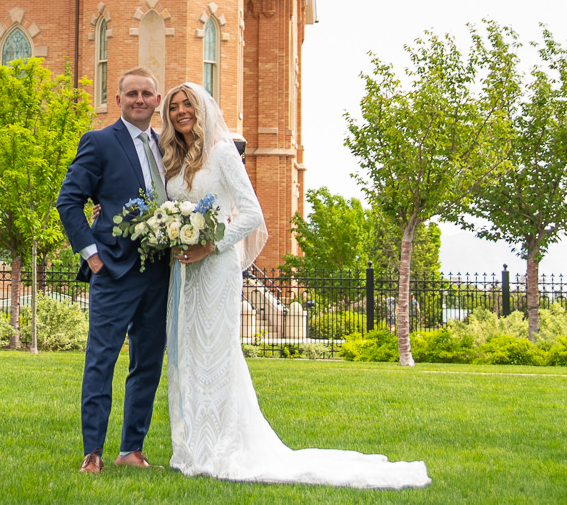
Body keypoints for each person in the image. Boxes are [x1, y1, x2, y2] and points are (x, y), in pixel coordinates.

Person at [159, 81, 430, 489]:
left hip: (216, 269)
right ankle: (192, 449)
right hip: (183, 272)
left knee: (217, 354)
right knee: (187, 355)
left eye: (187, 104)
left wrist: (209, 245)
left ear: (202, 108)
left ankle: (223, 449)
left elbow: (252, 214)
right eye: (174, 106)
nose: (181, 111)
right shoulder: (173, 162)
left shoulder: (220, 154)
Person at [56, 67, 172, 474]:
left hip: (159, 273)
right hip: (113, 271)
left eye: (147, 94)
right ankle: (93, 452)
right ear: (119, 99)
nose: (140, 100)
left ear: (158, 102)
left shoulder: (165, 147)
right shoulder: (100, 142)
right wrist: (92, 255)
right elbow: (68, 201)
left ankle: (132, 449)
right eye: (132, 94)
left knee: (148, 363)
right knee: (101, 361)